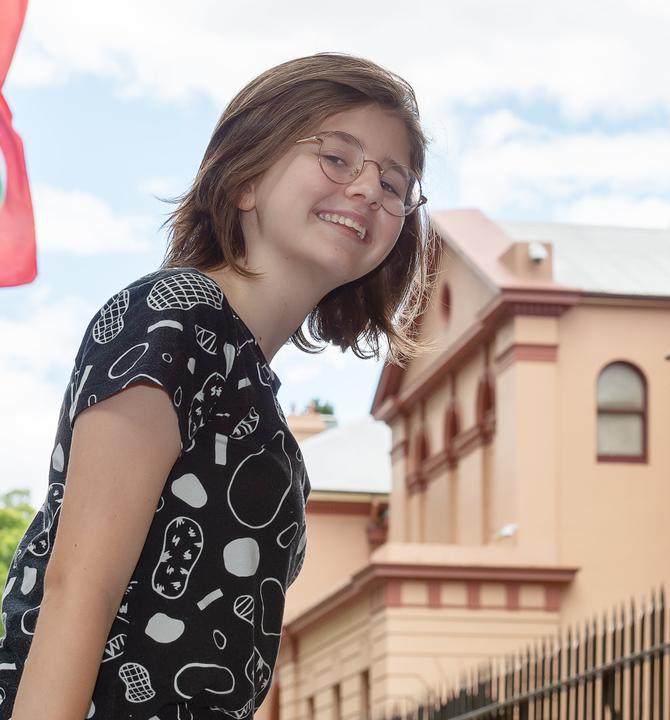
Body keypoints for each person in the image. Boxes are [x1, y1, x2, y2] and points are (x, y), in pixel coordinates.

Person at [0, 53, 435, 719]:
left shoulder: (253, 393)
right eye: (339, 159)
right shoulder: (175, 317)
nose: (370, 189)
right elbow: (76, 588)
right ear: (244, 181)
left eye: (395, 181)